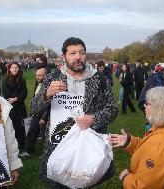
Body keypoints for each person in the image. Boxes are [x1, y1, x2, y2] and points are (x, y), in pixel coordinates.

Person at [30, 37, 118, 188]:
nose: (78, 57)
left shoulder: (100, 79)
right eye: (73, 53)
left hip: (88, 146)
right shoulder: (52, 78)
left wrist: (93, 119)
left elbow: (112, 109)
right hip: (59, 146)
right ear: (63, 56)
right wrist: (46, 95)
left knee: (86, 181)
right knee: (60, 183)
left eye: (82, 52)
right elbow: (33, 108)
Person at [109, 87, 164, 189]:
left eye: (148, 103)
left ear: (160, 109)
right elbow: (153, 151)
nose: (144, 106)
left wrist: (126, 178)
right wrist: (130, 142)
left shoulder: (162, 143)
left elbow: (144, 186)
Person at [22, 67, 48, 158]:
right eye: (36, 75)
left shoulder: (49, 87)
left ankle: (46, 154)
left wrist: (44, 117)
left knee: (45, 136)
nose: (37, 77)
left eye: (39, 75)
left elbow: (49, 103)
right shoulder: (38, 84)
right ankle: (29, 152)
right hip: (36, 113)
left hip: (43, 115)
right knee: (31, 133)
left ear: (46, 76)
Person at [2, 62, 28, 154]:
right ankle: (13, 146)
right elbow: (6, 94)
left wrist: (16, 98)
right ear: (10, 69)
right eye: (13, 68)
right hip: (11, 108)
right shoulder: (5, 80)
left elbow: (24, 93)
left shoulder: (22, 80)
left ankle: (22, 145)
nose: (14, 69)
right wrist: (13, 99)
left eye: (16, 67)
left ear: (19, 69)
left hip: (20, 107)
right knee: (12, 126)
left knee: (21, 126)